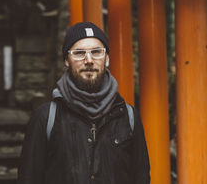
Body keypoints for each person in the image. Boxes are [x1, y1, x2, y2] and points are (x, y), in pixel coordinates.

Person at [17, 22, 150, 184]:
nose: (89, 60)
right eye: (79, 53)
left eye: (96, 52)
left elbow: (141, 178)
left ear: (107, 58)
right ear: (67, 60)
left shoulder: (128, 117)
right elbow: (28, 178)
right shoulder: (46, 118)